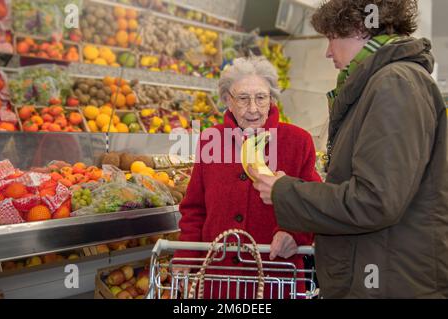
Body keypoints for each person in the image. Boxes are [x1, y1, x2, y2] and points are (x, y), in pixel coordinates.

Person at [250, 0, 448, 299]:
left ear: (359, 28)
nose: (328, 52)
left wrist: (285, 192)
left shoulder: (394, 84)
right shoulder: (385, 83)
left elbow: (374, 201)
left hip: (387, 282)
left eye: (331, 38)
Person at [174, 56, 321, 299]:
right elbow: (194, 209)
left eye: (261, 97)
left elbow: (314, 204)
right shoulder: (212, 140)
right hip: (218, 280)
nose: (253, 108)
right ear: (227, 101)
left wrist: (295, 235)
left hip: (277, 277)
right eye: (243, 98)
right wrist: (186, 255)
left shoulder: (298, 141)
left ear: (271, 99)